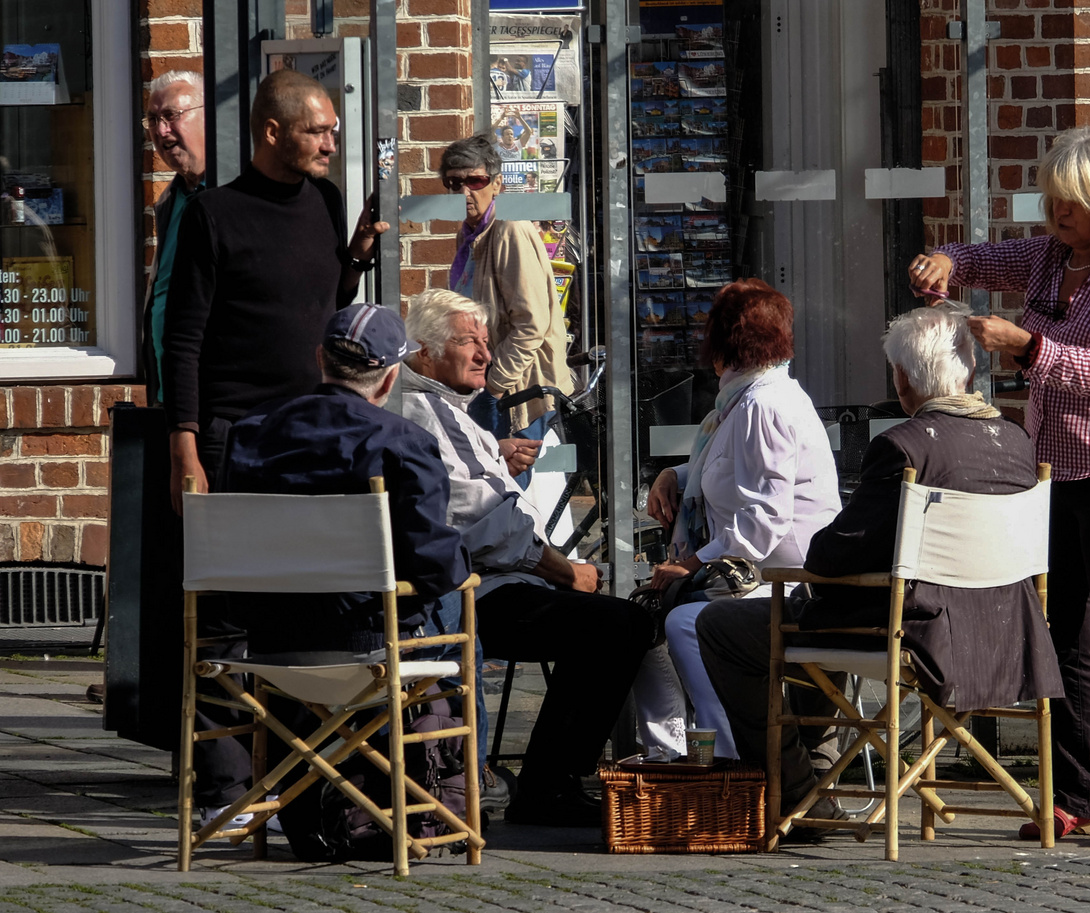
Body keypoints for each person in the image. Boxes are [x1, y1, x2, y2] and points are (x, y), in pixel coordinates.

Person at [910, 125, 1090, 848]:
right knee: (1066, 644)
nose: (1057, 214)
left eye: (1073, 203)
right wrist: (945, 259)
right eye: (1053, 199)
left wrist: (1025, 345)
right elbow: (982, 257)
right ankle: (1076, 796)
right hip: (1055, 479)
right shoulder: (1051, 258)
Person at [696, 304, 1062, 819]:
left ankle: (798, 791)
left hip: (919, 631)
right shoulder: (1017, 442)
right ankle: (819, 773)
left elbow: (832, 555)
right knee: (816, 612)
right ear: (970, 371)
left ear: (905, 379)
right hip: (1008, 629)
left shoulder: (902, 446)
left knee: (726, 626)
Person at [159, 68, 388, 823]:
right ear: (272, 132)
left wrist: (352, 258)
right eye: (319, 131)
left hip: (310, 436)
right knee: (226, 614)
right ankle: (226, 794)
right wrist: (185, 448)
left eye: (331, 130)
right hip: (234, 434)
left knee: (312, 606)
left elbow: (323, 311)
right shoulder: (213, 216)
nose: (331, 143)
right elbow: (183, 340)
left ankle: (303, 783)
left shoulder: (323, 202)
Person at [219, 304, 474, 848]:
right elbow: (434, 563)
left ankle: (316, 798)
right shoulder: (400, 440)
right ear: (388, 376)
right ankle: (445, 791)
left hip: (269, 652)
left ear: (320, 359)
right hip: (369, 649)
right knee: (459, 599)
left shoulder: (248, 435)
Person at [398, 289, 656, 827]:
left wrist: (492, 451)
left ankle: (551, 780)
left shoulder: (436, 407)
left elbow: (461, 487)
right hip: (474, 594)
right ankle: (550, 785)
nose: (485, 355)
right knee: (621, 623)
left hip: (469, 588)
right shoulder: (427, 407)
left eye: (485, 342)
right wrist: (568, 570)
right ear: (424, 352)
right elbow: (488, 525)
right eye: (469, 342)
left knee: (613, 620)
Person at [637, 280, 841, 760]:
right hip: (758, 572)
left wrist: (691, 564)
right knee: (643, 620)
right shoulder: (752, 400)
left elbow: (766, 518)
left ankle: (730, 756)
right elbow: (732, 466)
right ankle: (674, 756)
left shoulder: (760, 407)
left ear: (721, 344)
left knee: (682, 623)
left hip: (782, 579)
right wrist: (675, 473)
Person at [440, 133, 570, 463]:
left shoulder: (509, 229)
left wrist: (494, 388)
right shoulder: (470, 233)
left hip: (517, 395)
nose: (464, 192)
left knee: (509, 495)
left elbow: (531, 325)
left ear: (496, 184)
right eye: (453, 183)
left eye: (475, 180)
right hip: (485, 385)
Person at [141, 70, 207, 405]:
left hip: (215, 402)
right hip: (170, 399)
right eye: (153, 119)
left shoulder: (231, 199)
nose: (161, 130)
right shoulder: (172, 199)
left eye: (171, 116)